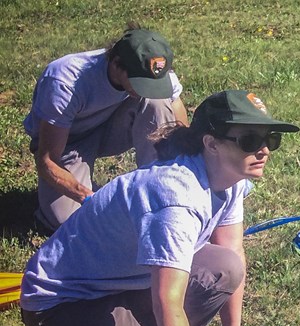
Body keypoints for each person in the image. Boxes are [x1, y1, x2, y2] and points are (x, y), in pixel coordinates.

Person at [4, 89, 299, 326]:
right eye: (249, 139)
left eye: (270, 139)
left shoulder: (230, 178)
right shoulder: (178, 200)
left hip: (121, 281)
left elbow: (233, 254)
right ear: (211, 143)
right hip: (64, 302)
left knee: (224, 268)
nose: (262, 150)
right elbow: (167, 300)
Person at [23, 26, 190, 231]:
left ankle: (160, 188)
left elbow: (180, 126)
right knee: (68, 221)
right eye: (140, 83)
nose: (146, 88)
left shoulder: (153, 71)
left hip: (111, 126)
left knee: (157, 101)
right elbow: (46, 160)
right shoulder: (65, 80)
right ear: (116, 63)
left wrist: (190, 165)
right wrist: (87, 197)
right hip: (69, 142)